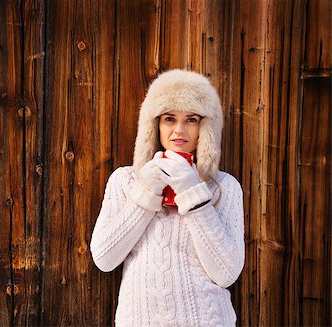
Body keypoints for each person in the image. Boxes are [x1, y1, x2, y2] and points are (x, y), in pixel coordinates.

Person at [90, 69, 245, 326]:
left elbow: (226, 273)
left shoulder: (223, 187)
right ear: (155, 124)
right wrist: (146, 193)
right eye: (169, 118)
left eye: (192, 119)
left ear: (205, 127)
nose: (179, 130)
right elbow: (105, 259)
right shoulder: (125, 181)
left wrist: (193, 195)